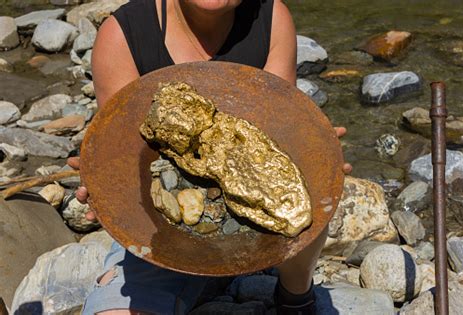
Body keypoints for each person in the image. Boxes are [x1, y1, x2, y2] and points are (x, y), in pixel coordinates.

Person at [68, 0, 352, 314]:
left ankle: (294, 295)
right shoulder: (124, 34)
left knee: (311, 198)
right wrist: (106, 189)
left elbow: (278, 126)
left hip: (256, 233)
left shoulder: (270, 18)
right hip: (161, 235)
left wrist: (317, 155)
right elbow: (122, 150)